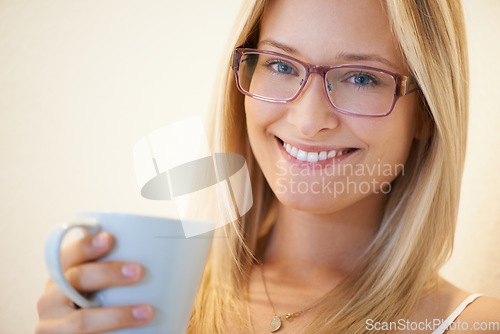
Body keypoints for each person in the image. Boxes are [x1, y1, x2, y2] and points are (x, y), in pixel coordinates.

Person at [36, 0, 500, 333]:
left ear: (426, 113)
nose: (308, 119)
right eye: (280, 65)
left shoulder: (471, 325)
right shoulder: (150, 296)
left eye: (361, 77)